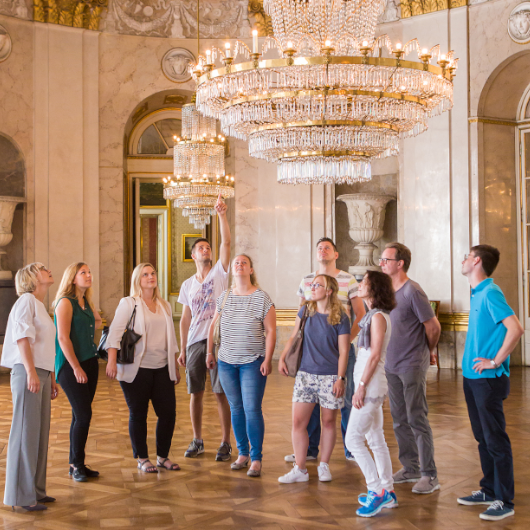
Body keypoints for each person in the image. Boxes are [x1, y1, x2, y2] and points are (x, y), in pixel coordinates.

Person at [284, 237, 365, 463]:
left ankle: (351, 448)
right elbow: (302, 314)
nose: (322, 250)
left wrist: (346, 339)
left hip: (340, 349)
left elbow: (360, 313)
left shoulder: (347, 279)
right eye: (319, 248)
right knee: (309, 400)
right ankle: (309, 450)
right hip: (312, 351)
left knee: (345, 398)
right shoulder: (307, 280)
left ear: (336, 254)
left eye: (327, 247)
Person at [458, 245, 522, 521]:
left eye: (466, 256)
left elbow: (516, 328)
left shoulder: (491, 291)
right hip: (472, 377)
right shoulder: (477, 292)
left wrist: (495, 361)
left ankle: (504, 500)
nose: (462, 260)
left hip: (488, 379)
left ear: (477, 261)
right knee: (482, 437)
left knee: (495, 439)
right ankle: (488, 489)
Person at [107, 263, 181, 473]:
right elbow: (115, 333)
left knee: (168, 413)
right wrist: (111, 361)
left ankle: (162, 456)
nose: (150, 277)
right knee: (138, 414)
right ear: (138, 280)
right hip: (136, 369)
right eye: (145, 274)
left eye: (153, 273)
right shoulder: (129, 303)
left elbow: (172, 339)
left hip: (162, 368)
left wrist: (174, 366)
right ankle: (142, 458)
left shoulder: (165, 305)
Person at [380, 242, 441, 494]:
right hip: (391, 364)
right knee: (398, 419)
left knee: (417, 417)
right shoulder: (387, 291)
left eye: (385, 259)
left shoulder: (412, 291)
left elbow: (433, 326)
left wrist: (426, 351)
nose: (381, 263)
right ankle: (410, 467)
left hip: (412, 363)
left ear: (400, 263)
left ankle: (430, 475)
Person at [207, 254, 276, 477]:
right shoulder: (224, 296)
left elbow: (271, 331)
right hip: (226, 362)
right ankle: (243, 453)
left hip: (252, 362)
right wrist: (210, 351)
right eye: (236, 262)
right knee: (236, 409)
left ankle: (256, 458)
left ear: (251, 270)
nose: (239, 265)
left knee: (252, 409)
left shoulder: (262, 297)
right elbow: (213, 326)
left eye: (244, 262)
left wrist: (267, 358)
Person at [278, 275, 350, 483]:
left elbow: (344, 351)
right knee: (298, 422)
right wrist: (282, 357)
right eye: (312, 284)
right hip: (305, 375)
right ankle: (300, 469)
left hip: (330, 376)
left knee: (328, 422)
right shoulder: (306, 311)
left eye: (318, 285)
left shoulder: (340, 317)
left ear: (329, 291)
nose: (312, 287)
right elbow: (293, 336)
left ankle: (324, 465)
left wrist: (340, 378)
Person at [178, 194, 232, 461]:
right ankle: (197, 439)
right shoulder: (188, 285)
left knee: (220, 392)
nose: (206, 250)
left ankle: (225, 442)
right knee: (195, 392)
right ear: (193, 255)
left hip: (221, 340)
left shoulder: (220, 273)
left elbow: (227, 243)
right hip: (195, 342)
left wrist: (221, 215)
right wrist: (182, 348)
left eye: (208, 247)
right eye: (201, 248)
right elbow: (185, 318)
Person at [1, 263, 59, 511]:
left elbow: (44, 346)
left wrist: (51, 377)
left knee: (39, 433)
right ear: (32, 278)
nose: (48, 269)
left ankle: (36, 490)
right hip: (28, 372)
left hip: (42, 372)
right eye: (42, 268)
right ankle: (21, 497)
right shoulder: (25, 301)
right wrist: (31, 372)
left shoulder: (40, 306)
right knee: (25, 432)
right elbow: (22, 339)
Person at [345, 271, 397, 517]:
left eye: (364, 282)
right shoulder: (373, 315)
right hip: (370, 384)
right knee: (376, 440)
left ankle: (376, 491)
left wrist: (362, 386)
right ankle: (388, 490)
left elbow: (375, 355)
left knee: (352, 440)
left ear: (374, 288)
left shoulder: (377, 317)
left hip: (371, 385)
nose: (359, 285)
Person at [54, 262, 102, 482]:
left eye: (89, 272)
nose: (88, 275)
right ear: (73, 278)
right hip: (70, 365)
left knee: (79, 414)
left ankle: (77, 463)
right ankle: (75, 465)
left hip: (89, 362)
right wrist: (75, 367)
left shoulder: (86, 302)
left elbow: (97, 325)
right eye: (83, 272)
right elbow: (63, 339)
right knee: (84, 415)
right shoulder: (65, 302)